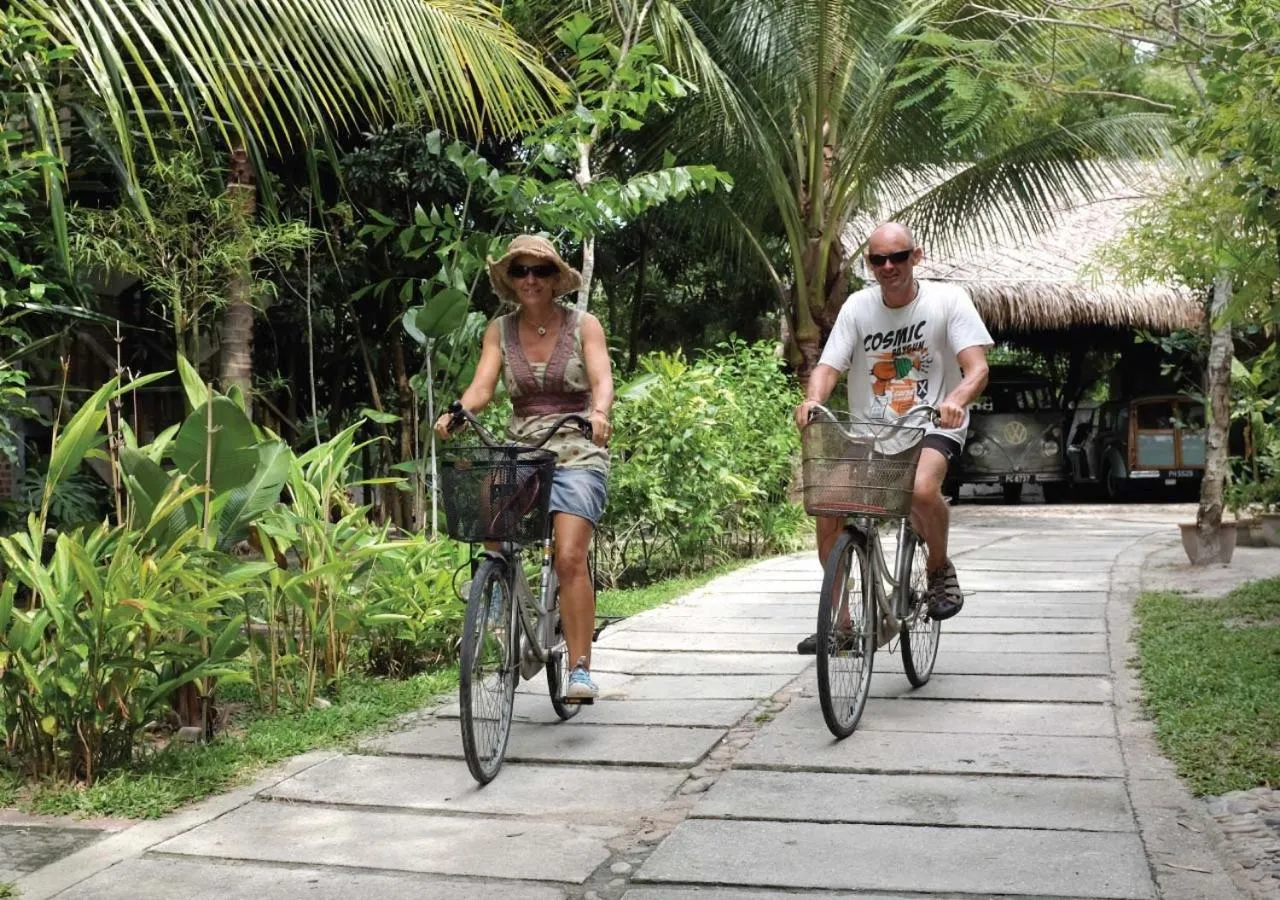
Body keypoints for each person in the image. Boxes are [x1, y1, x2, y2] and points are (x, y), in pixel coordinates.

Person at [793, 222, 992, 654]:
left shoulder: (947, 301)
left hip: (932, 423)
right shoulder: (857, 307)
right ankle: (842, 625)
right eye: (878, 260)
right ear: (869, 264)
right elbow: (828, 366)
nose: (888, 267)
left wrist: (956, 399)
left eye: (897, 257)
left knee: (921, 490)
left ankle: (939, 570)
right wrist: (812, 400)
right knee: (827, 507)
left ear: (915, 258)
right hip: (872, 431)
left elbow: (976, 367)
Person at [435, 234, 613, 699]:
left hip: (577, 445)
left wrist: (599, 414)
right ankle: (496, 598)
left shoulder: (583, 325)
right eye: (520, 271)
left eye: (540, 271)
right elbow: (482, 388)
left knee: (570, 555)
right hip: (523, 447)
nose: (530, 280)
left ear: (556, 279)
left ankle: (579, 668)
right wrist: (458, 412)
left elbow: (601, 380)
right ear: (510, 281)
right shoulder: (499, 330)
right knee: (488, 513)